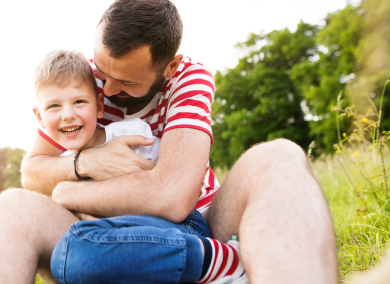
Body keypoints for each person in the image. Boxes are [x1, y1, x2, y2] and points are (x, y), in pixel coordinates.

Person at [0, 0, 337, 284]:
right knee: (13, 208)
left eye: (124, 80)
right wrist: (83, 163)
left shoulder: (189, 77)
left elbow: (172, 198)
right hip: (102, 233)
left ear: (169, 66)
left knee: (279, 156)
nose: (104, 90)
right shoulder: (82, 81)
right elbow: (33, 172)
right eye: (101, 73)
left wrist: (69, 193)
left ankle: (250, 268)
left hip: (202, 224)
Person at [32, 49, 245, 283]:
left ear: (99, 106)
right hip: (126, 233)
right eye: (54, 106)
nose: (68, 115)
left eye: (79, 102)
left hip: (180, 224)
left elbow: (163, 188)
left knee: (74, 251)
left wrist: (77, 197)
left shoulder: (131, 134)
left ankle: (222, 260)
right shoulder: (62, 163)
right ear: (39, 118)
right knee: (74, 247)